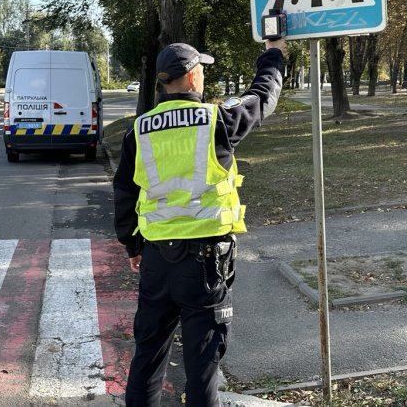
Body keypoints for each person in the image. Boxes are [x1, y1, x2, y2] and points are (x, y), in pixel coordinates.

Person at [113, 39, 287, 407]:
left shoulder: (138, 131)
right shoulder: (217, 120)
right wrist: (274, 53)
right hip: (205, 266)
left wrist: (133, 246)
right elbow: (262, 97)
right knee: (201, 368)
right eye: (203, 70)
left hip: (157, 262)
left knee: (147, 357)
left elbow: (125, 195)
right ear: (193, 76)